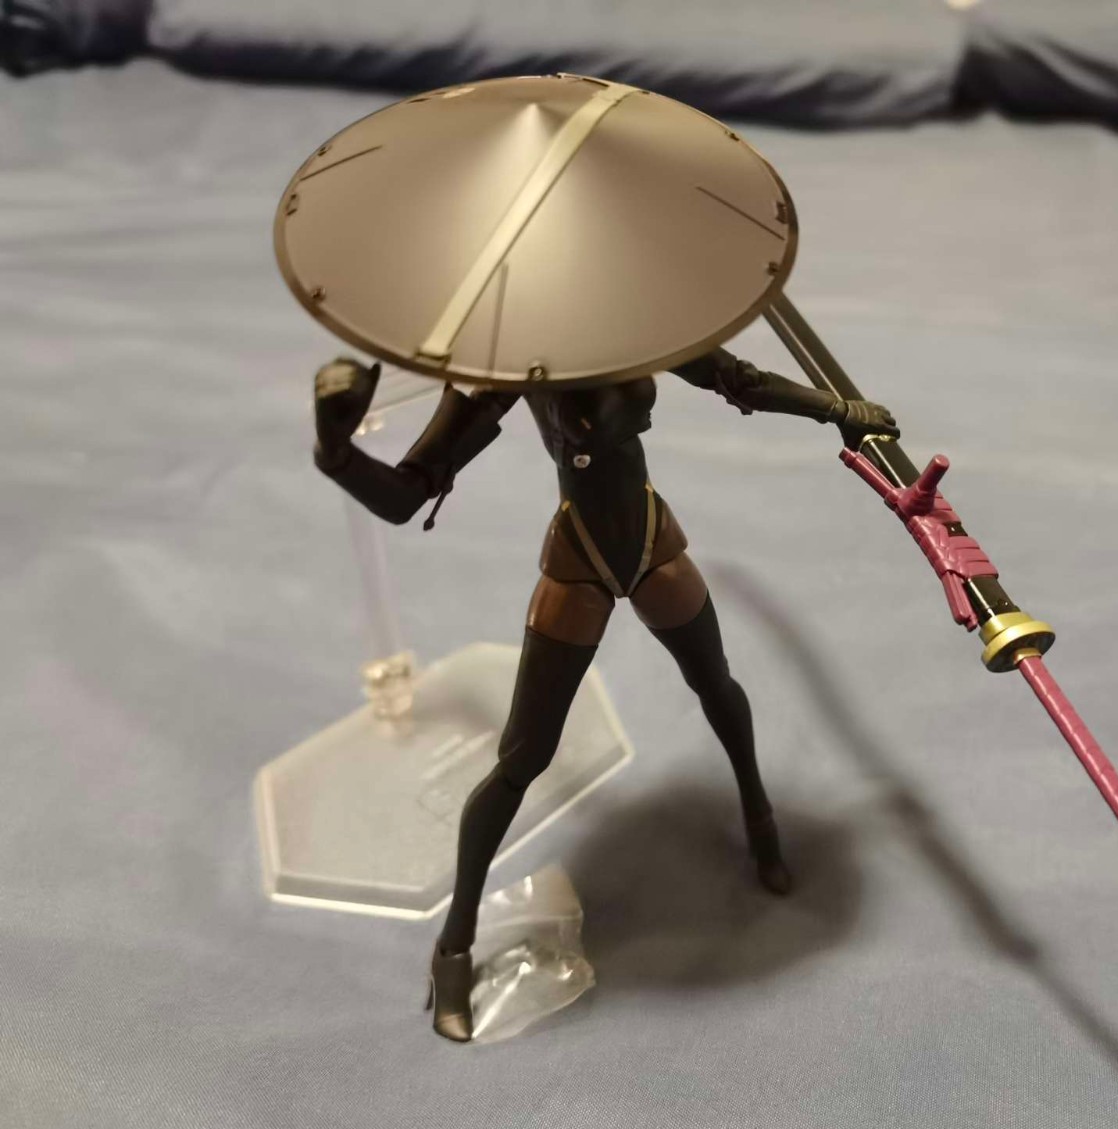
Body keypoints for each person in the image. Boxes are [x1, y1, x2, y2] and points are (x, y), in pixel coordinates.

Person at [311, 347, 897, 1040]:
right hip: (580, 561)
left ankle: (761, 824)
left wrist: (838, 411)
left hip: (650, 543)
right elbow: (405, 496)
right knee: (521, 760)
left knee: (716, 685)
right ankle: (453, 950)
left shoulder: (632, 325)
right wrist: (336, 451)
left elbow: (738, 380)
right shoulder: (518, 365)